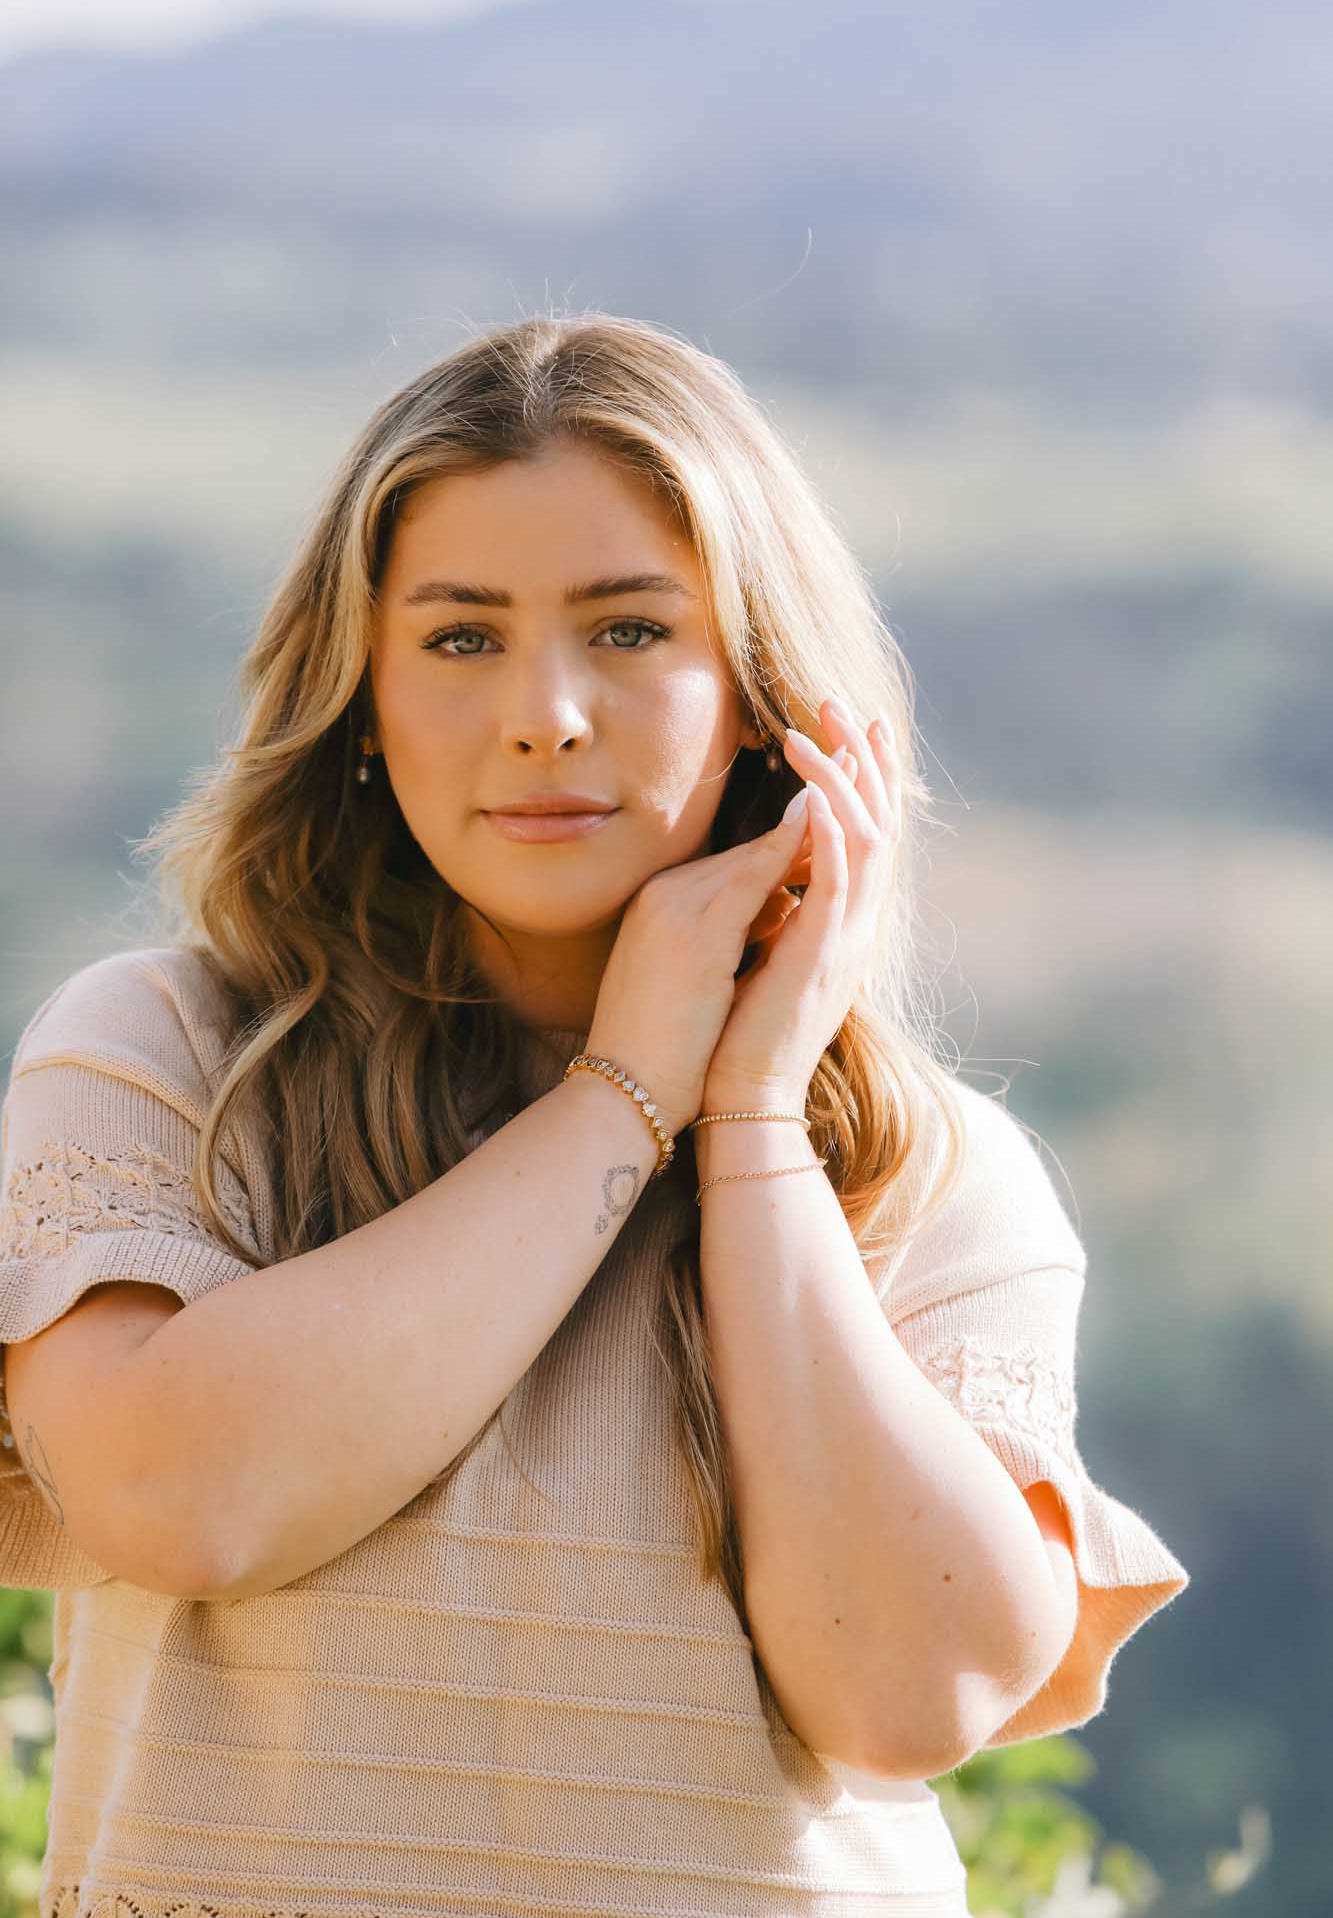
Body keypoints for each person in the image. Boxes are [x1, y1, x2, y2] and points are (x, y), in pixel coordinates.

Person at [0, 311, 1189, 1918]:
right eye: (460, 637)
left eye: (630, 632)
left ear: (771, 698)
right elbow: (181, 1501)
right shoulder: (168, 1061)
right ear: (358, 697)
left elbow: (908, 1696)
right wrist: (621, 1095)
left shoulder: (929, 1179)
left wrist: (753, 1115)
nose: (545, 711)